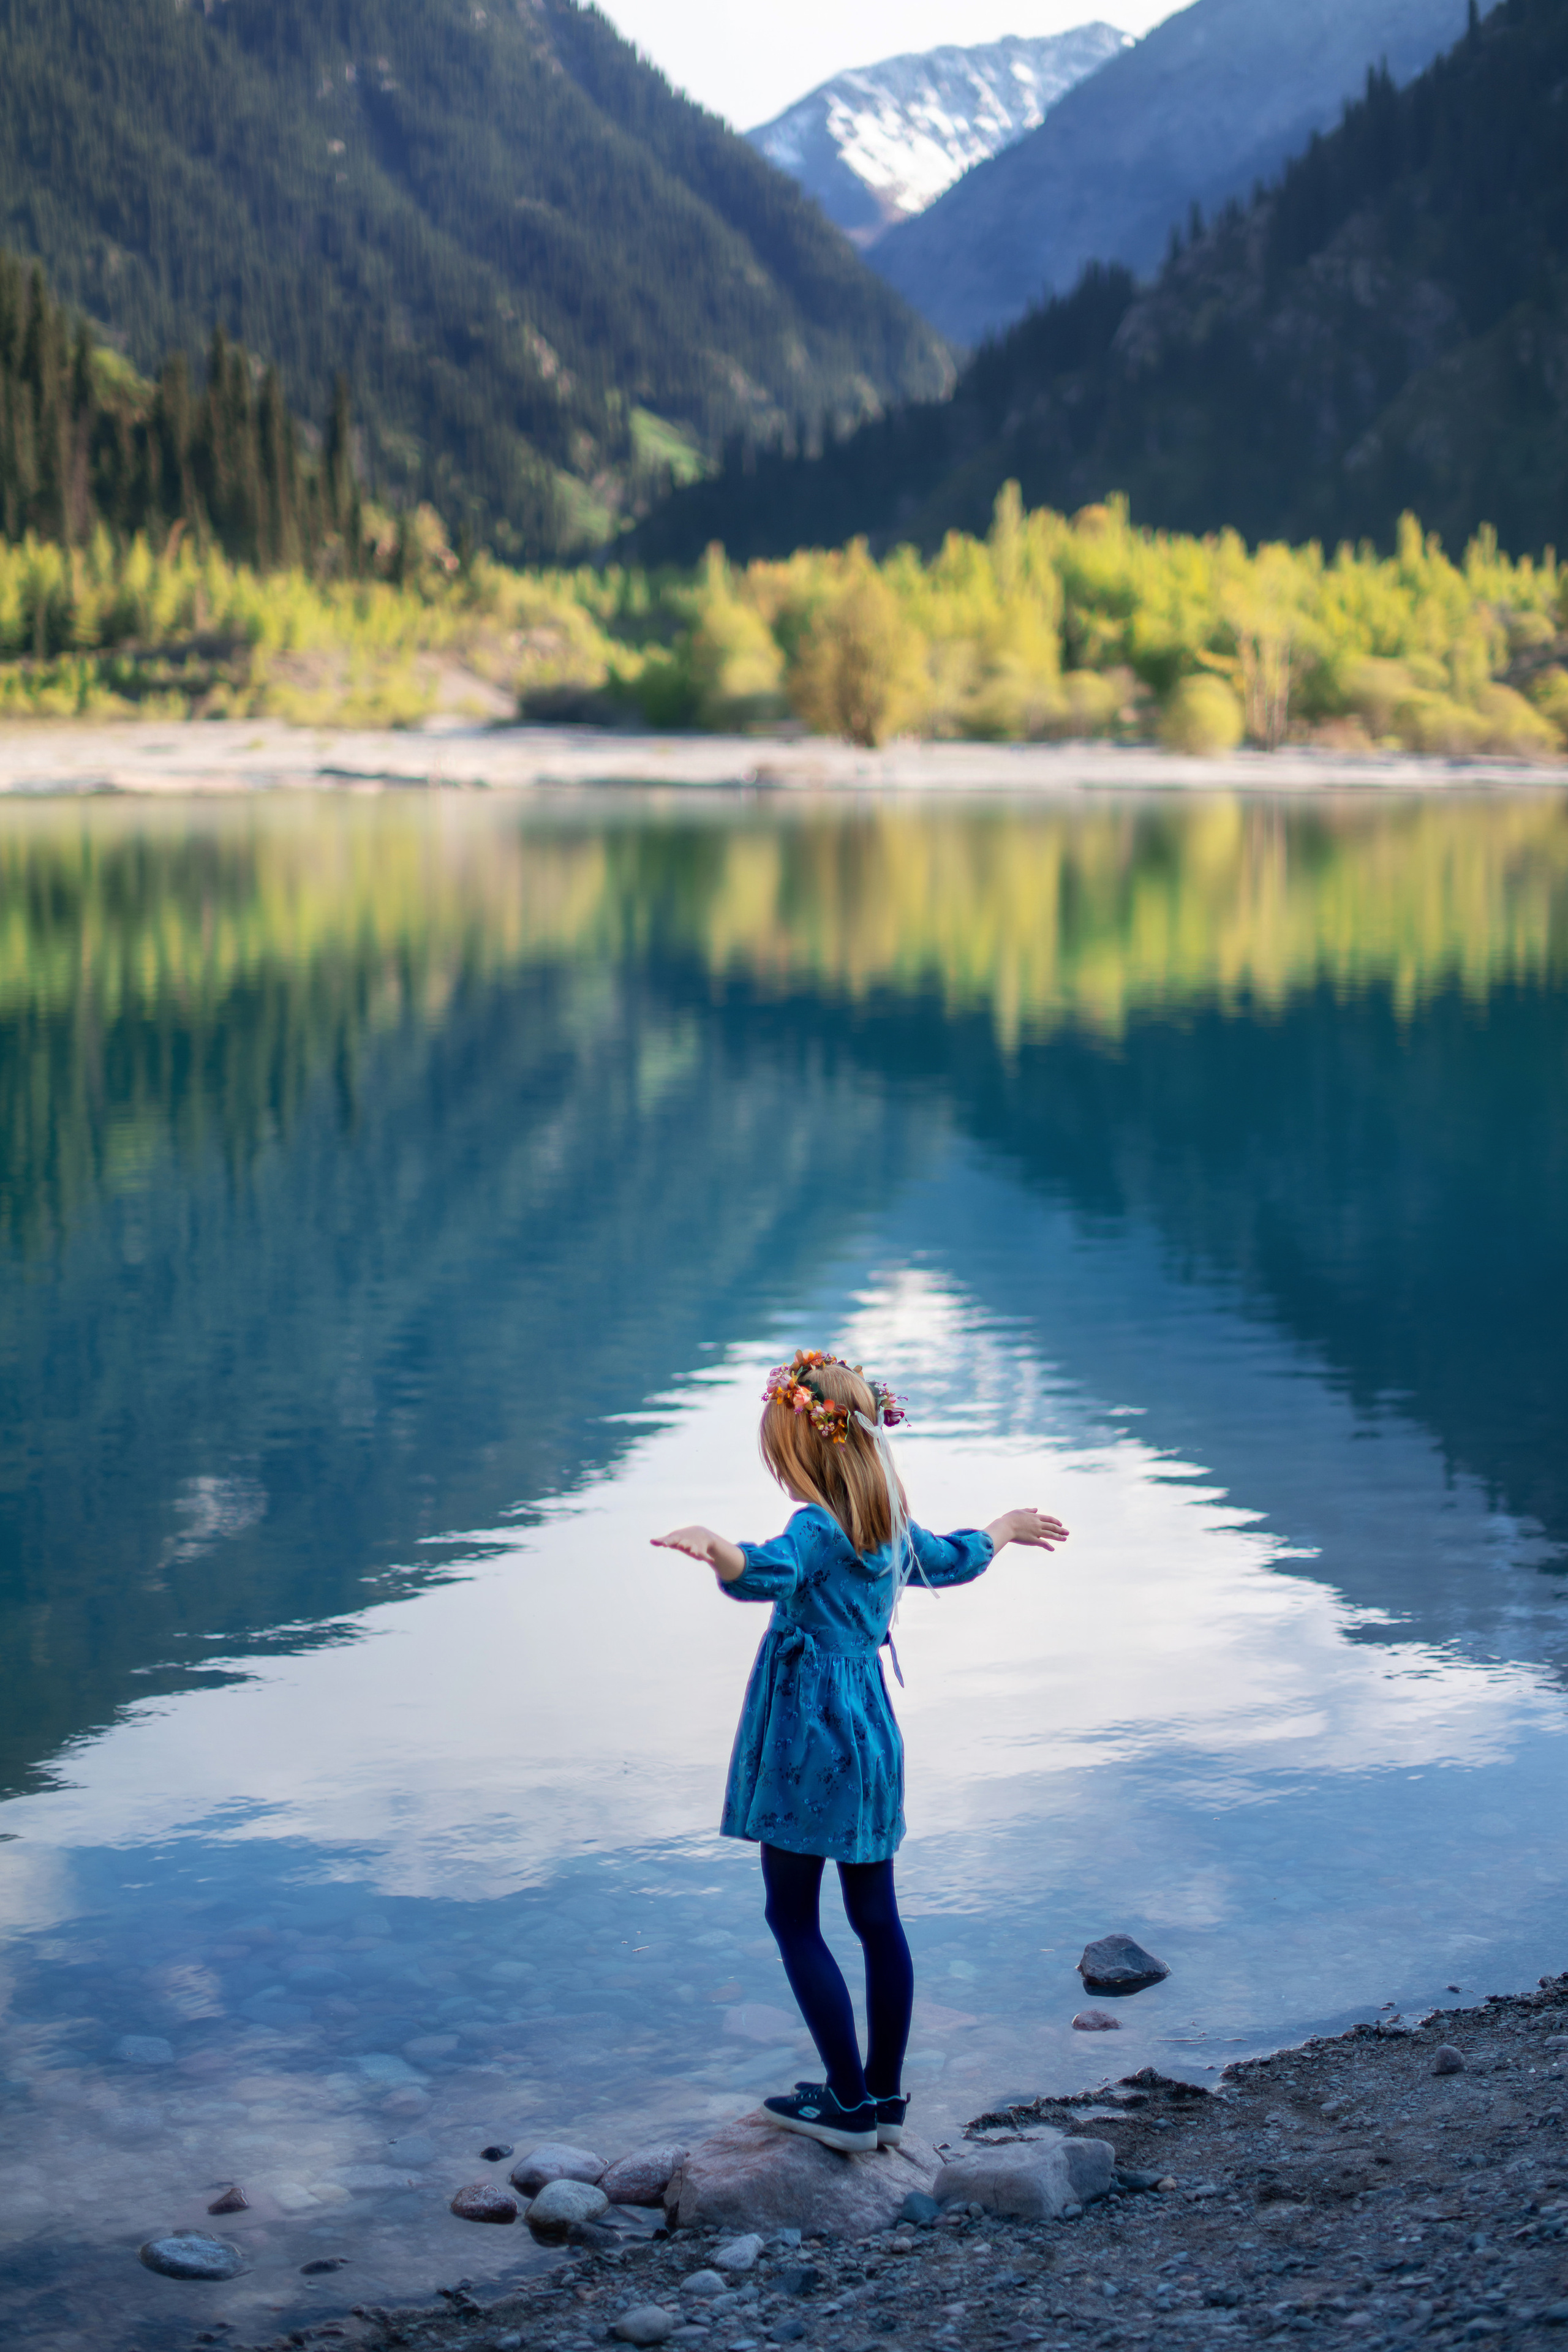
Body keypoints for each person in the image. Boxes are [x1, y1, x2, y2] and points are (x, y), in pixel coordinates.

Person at [652, 1348, 1068, 2155]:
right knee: (876, 1918)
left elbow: (764, 1573)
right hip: (872, 1731)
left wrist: (719, 1549)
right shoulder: (886, 1525)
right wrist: (1005, 1530)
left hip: (811, 1737)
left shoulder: (816, 1526)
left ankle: (845, 2105)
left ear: (801, 1451)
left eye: (780, 1449)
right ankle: (883, 2097)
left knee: (792, 1913)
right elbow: (955, 1559)